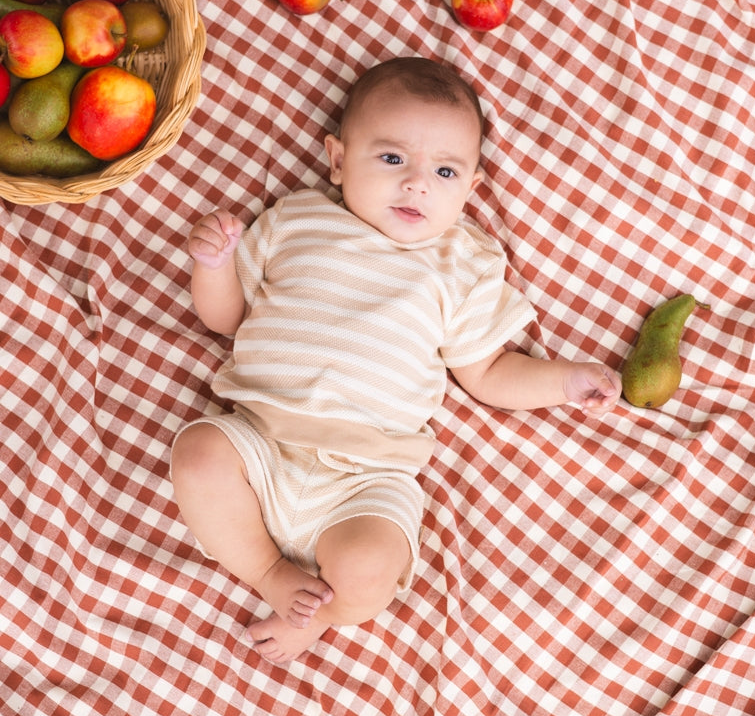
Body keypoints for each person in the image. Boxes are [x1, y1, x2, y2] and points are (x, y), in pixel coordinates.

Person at [171, 56, 621, 665]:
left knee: (369, 565)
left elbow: (489, 373)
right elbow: (226, 319)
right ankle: (270, 574)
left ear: (470, 189)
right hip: (260, 441)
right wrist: (214, 265)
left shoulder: (463, 264)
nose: (417, 185)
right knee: (198, 453)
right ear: (337, 160)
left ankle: (322, 615)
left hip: (367, 477)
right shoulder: (297, 220)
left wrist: (566, 380)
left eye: (444, 171)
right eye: (391, 159)